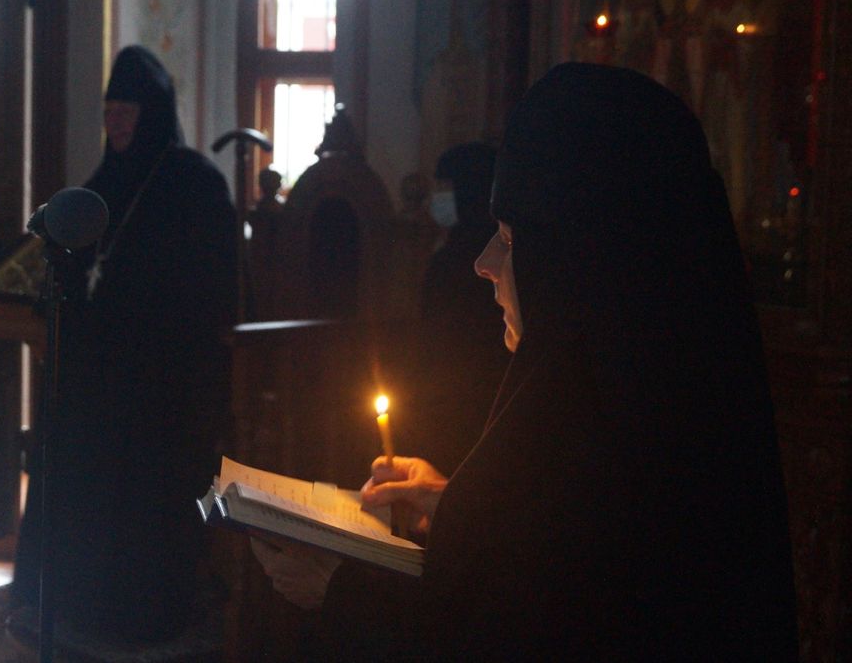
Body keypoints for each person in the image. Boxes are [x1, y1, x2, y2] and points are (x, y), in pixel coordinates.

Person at [251, 62, 798, 660]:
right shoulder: (656, 405)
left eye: (512, 240)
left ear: (582, 265)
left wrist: (341, 593)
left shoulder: (641, 458)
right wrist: (459, 511)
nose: (483, 263)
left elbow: (520, 635)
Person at [6, 45, 237, 644]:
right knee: (67, 446)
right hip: (95, 382)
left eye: (127, 111)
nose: (116, 122)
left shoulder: (193, 183)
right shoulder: (99, 188)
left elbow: (213, 292)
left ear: (152, 113)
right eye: (109, 110)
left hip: (162, 383)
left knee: (139, 472)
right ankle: (67, 603)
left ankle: (137, 615)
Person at [409, 141, 504, 474]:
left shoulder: (475, 258)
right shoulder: (452, 251)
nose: (436, 198)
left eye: (444, 189)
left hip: (465, 402)